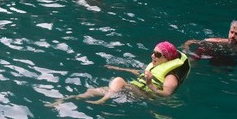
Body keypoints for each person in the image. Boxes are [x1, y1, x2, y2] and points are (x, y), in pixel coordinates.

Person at [53, 42, 190, 105]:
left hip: (145, 94)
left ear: (167, 58)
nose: (153, 55)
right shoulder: (156, 66)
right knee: (92, 91)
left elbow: (166, 94)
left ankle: (103, 101)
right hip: (132, 88)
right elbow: (137, 73)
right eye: (153, 52)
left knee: (118, 80)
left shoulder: (171, 77)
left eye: (157, 54)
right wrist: (118, 68)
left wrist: (150, 85)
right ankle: (65, 100)